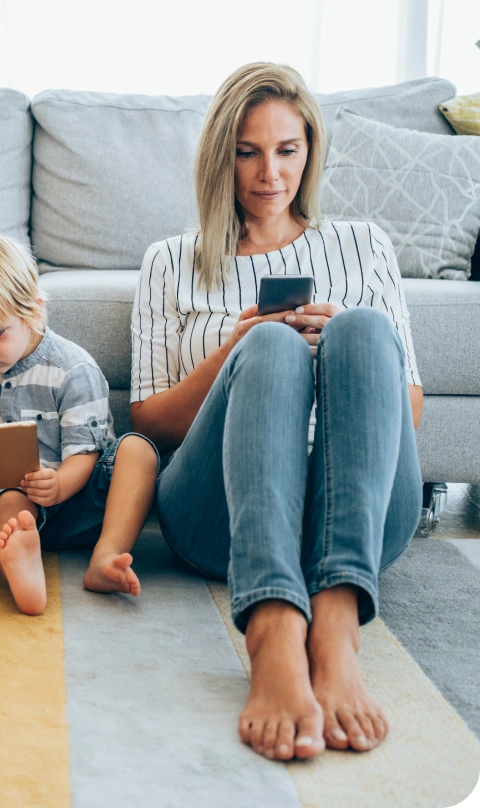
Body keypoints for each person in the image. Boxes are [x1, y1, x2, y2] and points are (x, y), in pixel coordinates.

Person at [130, 62, 423, 762]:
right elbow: (148, 421)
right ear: (219, 157)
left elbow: (407, 407)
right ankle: (270, 624)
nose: (270, 173)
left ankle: (336, 618)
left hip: (354, 508)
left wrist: (343, 336)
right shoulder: (170, 261)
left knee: (359, 329)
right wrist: (232, 351)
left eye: (287, 150)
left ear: (310, 151)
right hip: (220, 516)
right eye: (248, 151)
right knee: (267, 344)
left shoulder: (363, 244)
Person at [0, 234, 159, 615]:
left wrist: (59, 486)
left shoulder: (72, 369)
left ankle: (107, 556)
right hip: (19, 502)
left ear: (34, 312)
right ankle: (20, 563)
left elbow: (86, 453)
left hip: (85, 498)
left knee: (138, 449)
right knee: (5, 501)